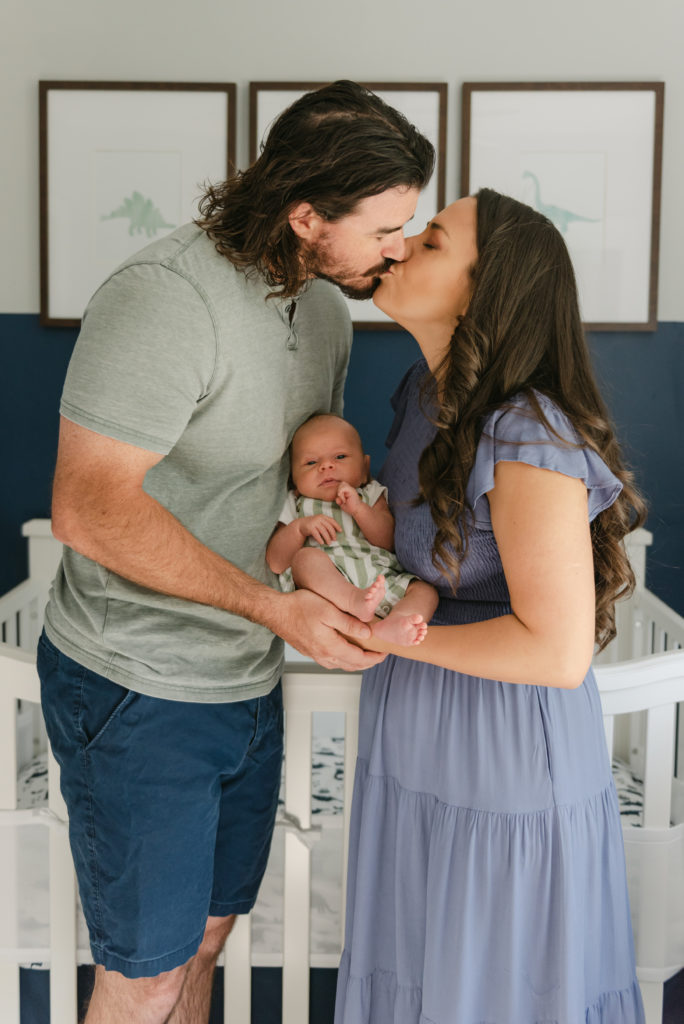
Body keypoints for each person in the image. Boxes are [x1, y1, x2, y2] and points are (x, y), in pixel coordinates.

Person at [37, 81, 434, 1024]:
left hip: (245, 678)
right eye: (384, 228)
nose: (400, 248)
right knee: (145, 975)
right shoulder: (164, 299)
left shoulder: (326, 311)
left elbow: (296, 487)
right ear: (306, 216)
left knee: (212, 938)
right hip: (140, 682)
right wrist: (272, 609)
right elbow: (87, 512)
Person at [334, 189, 647, 1023]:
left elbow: (557, 652)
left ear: (483, 293)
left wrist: (395, 638)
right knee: (414, 968)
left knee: (494, 989)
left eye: (431, 241)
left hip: (501, 740)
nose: (399, 248)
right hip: (414, 727)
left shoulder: (527, 434)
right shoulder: (422, 396)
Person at [266, 413, 438, 646]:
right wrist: (299, 528)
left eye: (340, 456)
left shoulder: (369, 494)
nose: (326, 466)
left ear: (364, 468)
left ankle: (397, 622)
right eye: (311, 462)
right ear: (293, 478)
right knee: (305, 558)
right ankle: (354, 600)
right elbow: (276, 562)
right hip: (329, 590)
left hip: (380, 578)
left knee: (426, 592)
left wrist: (359, 510)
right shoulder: (295, 504)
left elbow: (387, 541)